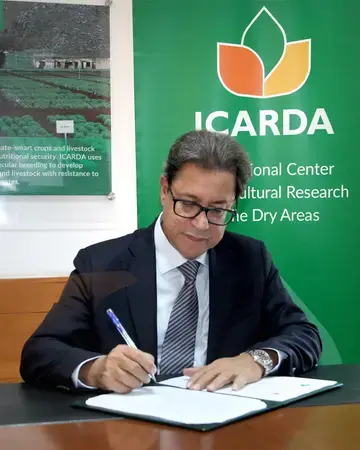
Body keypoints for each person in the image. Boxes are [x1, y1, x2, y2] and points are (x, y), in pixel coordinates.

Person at [20, 130, 322, 393]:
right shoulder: (101, 263)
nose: (201, 224)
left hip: (224, 419)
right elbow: (40, 352)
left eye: (218, 210)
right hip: (130, 427)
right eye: (188, 204)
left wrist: (256, 360)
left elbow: (303, 335)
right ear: (165, 190)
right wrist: (96, 370)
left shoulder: (250, 259)